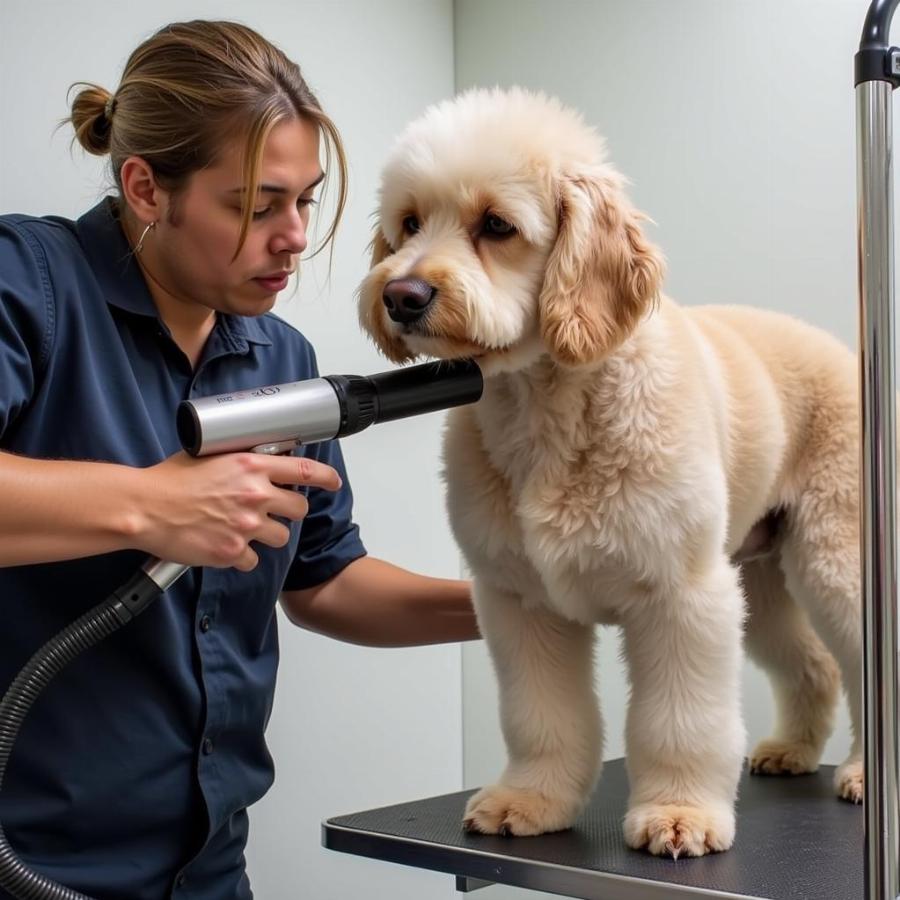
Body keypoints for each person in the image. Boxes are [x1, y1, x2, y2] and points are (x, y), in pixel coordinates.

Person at [0, 19, 478, 900]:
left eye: (306, 199)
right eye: (257, 206)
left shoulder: (281, 363)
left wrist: (530, 606)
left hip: (207, 871)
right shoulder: (28, 285)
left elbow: (326, 583)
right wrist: (149, 504)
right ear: (146, 187)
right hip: (31, 865)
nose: (294, 235)